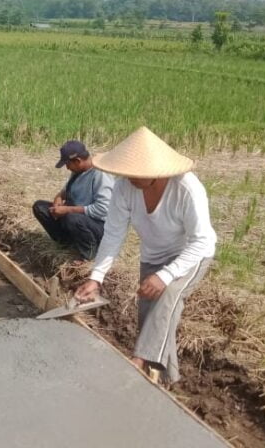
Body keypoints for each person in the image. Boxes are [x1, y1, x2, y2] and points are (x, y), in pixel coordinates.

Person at [74, 126, 216, 384]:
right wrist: (96, 277)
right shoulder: (124, 187)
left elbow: (202, 240)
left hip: (191, 253)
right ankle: (167, 381)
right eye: (127, 173)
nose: (130, 179)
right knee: (151, 319)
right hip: (154, 254)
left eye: (137, 174)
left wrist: (166, 275)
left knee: (169, 297)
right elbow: (113, 233)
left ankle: (138, 363)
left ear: (157, 172)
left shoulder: (187, 189)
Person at [32, 140, 112, 263]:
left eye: (68, 164)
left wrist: (67, 210)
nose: (67, 168)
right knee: (39, 207)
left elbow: (103, 209)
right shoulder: (78, 171)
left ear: (78, 161)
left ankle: (90, 253)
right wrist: (59, 198)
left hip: (98, 226)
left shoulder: (100, 175)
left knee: (72, 217)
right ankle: (67, 242)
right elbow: (66, 190)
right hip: (76, 219)